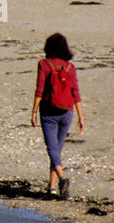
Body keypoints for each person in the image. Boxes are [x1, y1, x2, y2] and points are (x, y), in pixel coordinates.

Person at [30, 33, 85, 198]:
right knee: (57, 150)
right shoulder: (70, 67)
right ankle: (52, 187)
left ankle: (62, 179)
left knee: (52, 149)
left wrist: (33, 111)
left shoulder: (44, 64)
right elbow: (76, 93)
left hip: (49, 112)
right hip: (67, 112)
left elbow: (39, 89)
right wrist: (81, 117)